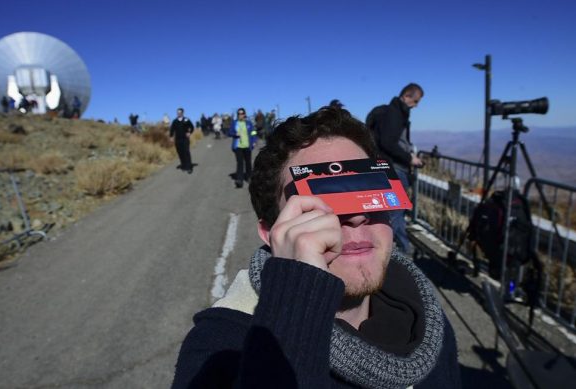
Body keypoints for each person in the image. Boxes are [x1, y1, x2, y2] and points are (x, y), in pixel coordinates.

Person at [172, 106, 460, 388]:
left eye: (367, 188)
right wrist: (297, 295)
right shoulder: (220, 348)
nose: (358, 216)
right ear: (269, 232)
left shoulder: (427, 319)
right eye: (321, 200)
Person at [368, 83, 424, 255]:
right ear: (406, 97)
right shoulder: (394, 114)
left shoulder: (390, 112)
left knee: (390, 209)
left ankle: (390, 245)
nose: (416, 105)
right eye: (415, 101)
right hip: (394, 168)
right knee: (396, 210)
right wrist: (409, 158)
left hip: (384, 166)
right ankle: (403, 249)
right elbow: (388, 142)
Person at [228, 108, 257, 188]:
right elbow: (229, 133)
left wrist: (254, 141)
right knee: (240, 163)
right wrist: (235, 133)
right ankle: (239, 180)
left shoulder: (249, 123)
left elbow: (253, 132)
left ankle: (249, 177)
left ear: (244, 114)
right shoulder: (234, 123)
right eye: (239, 113)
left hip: (247, 146)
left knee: (248, 163)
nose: (240, 115)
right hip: (238, 146)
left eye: (242, 113)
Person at [170, 107, 195, 174]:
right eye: (177, 112)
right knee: (180, 153)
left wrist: (189, 132)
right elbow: (172, 129)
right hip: (178, 140)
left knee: (186, 152)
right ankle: (183, 166)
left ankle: (189, 167)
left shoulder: (186, 120)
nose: (178, 114)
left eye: (180, 112)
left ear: (182, 113)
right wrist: (171, 137)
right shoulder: (175, 121)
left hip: (185, 139)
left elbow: (192, 127)